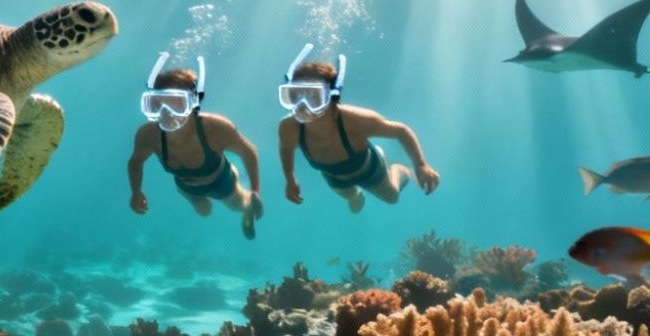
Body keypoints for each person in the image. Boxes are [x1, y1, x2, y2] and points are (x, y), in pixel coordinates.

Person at [276, 47, 439, 213]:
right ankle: (356, 194)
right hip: (333, 176)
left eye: (314, 97)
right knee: (350, 196)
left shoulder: (355, 120)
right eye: (295, 95)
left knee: (392, 198)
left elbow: (401, 131)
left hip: (369, 170)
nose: (303, 106)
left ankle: (398, 169)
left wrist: (420, 165)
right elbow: (286, 148)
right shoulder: (289, 127)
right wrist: (290, 179)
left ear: (332, 98)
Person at [128, 54, 264, 239]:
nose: (167, 114)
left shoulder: (216, 128)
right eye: (157, 105)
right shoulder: (148, 135)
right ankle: (208, 187)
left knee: (237, 205)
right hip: (188, 188)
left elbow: (249, 152)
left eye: (177, 105)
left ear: (193, 104)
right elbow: (136, 162)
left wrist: (255, 192)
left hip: (221, 181)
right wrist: (136, 192)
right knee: (204, 211)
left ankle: (240, 191)